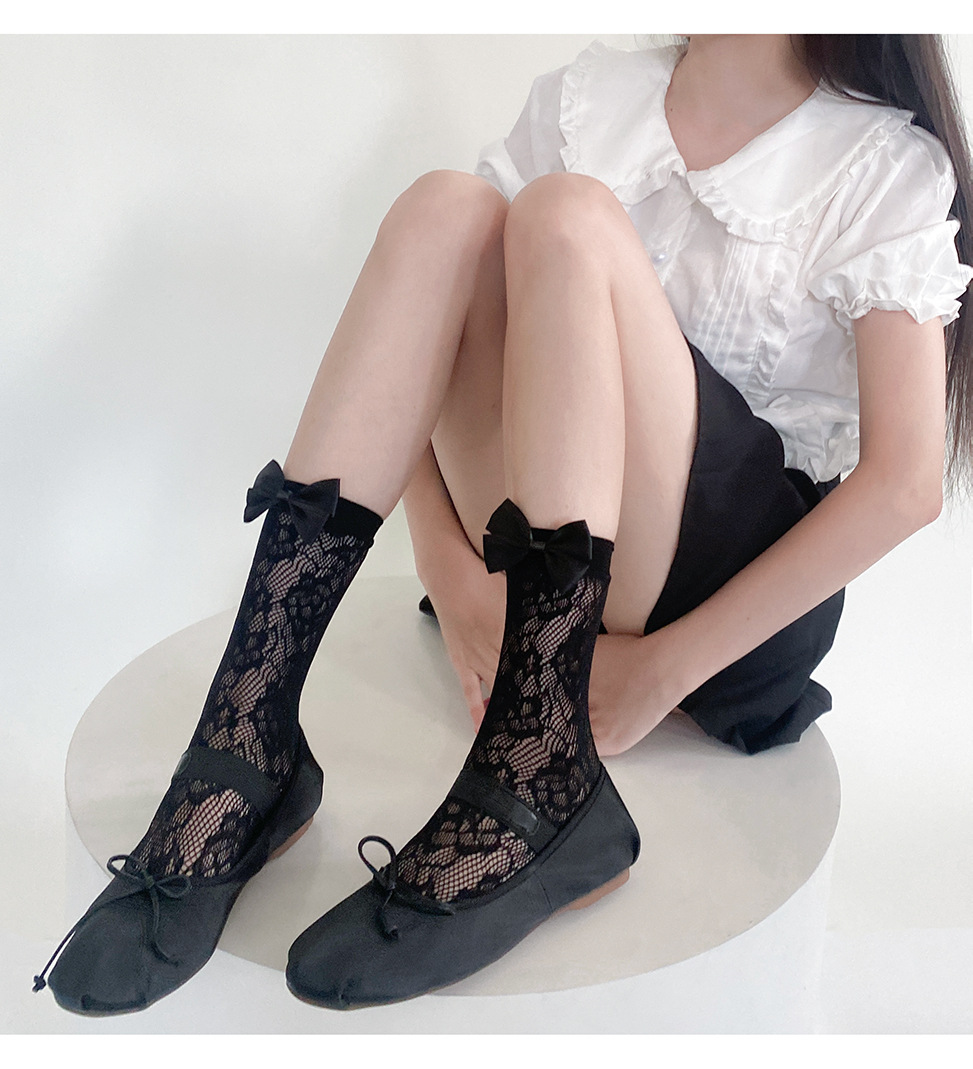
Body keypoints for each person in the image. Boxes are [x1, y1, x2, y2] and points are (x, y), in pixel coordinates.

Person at [34, 34, 973, 1013]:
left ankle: (540, 773)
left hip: (724, 584)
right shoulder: (590, 95)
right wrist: (450, 571)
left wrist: (663, 670)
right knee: (445, 210)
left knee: (567, 216)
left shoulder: (881, 165)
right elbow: (428, 345)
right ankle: (246, 738)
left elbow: (905, 485)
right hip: (553, 545)